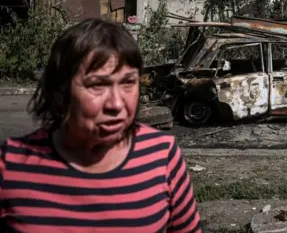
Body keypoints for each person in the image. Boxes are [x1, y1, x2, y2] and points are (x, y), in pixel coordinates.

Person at [0, 18, 202, 232]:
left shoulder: (162, 155)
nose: (116, 104)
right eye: (97, 85)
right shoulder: (10, 165)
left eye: (128, 83)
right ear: (60, 92)